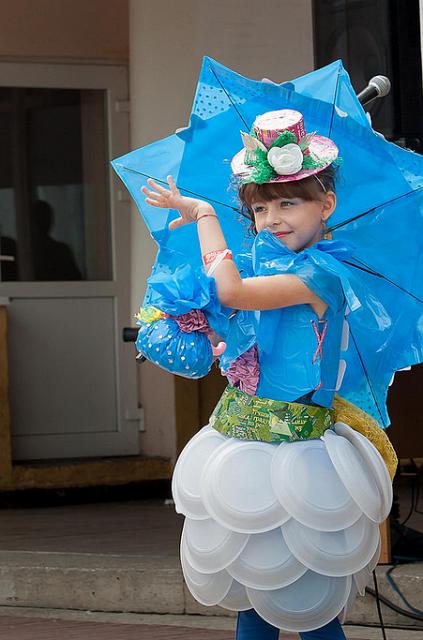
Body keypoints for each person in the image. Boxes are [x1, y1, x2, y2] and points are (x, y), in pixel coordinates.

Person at [140, 110, 396, 639]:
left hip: (303, 453)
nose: (273, 217)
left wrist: (206, 216)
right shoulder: (265, 267)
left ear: (325, 204)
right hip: (240, 443)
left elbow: (232, 291)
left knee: (309, 604)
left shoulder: (322, 274)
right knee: (252, 599)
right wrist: (207, 328)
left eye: (289, 202)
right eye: (260, 207)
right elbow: (234, 317)